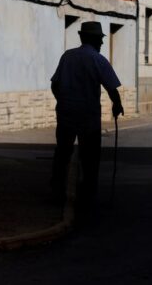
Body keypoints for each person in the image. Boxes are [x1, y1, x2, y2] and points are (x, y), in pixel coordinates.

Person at [50, 21, 124, 212]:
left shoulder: (67, 56)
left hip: (66, 112)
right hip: (88, 115)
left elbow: (55, 84)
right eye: (100, 39)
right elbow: (111, 87)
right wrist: (117, 105)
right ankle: (88, 194)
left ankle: (57, 191)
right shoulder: (98, 59)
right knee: (90, 156)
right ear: (93, 39)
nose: (102, 43)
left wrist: (63, 100)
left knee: (62, 153)